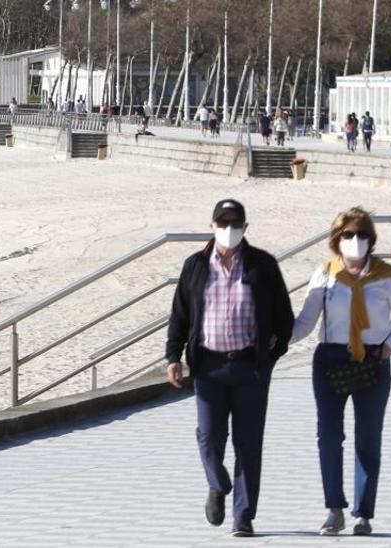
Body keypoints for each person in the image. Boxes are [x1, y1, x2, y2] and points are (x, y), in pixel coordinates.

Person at [165, 199, 294, 538]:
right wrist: (173, 357)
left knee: (248, 443)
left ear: (245, 228)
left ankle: (244, 515)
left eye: (235, 224)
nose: (229, 230)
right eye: (223, 223)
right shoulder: (195, 266)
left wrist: (272, 352)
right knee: (209, 437)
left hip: (250, 367)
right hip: (208, 365)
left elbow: (284, 316)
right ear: (212, 226)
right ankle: (217, 484)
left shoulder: (262, 264)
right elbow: (179, 314)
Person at [289, 208, 391, 537]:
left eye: (361, 235)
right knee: (329, 436)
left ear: (371, 240)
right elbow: (305, 323)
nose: (355, 241)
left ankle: (363, 514)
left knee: (368, 438)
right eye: (348, 235)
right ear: (336, 239)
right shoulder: (325, 274)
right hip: (330, 359)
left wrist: (387, 348)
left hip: (372, 361)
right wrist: (273, 338)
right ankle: (334, 509)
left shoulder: (386, 276)